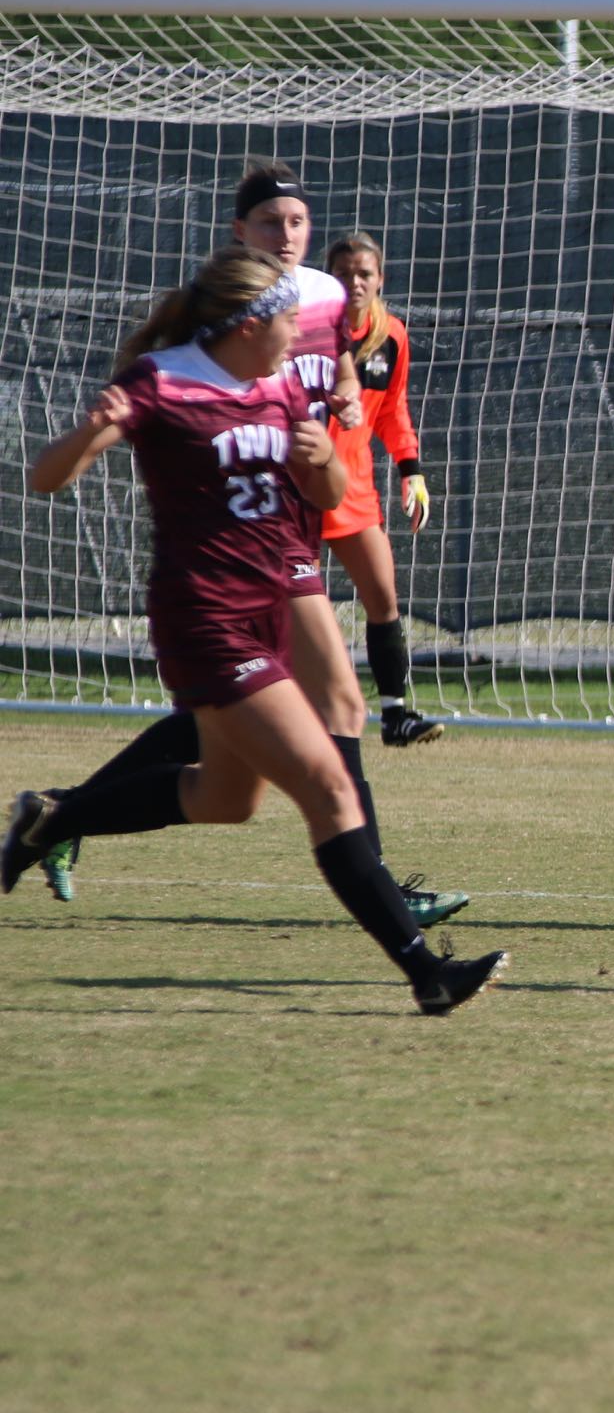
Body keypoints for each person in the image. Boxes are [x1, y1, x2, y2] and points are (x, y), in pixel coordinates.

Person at [1, 245, 504, 1014]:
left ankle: (56, 819)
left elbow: (327, 486)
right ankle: (426, 973)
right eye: (288, 317)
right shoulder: (162, 380)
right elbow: (46, 476)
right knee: (330, 788)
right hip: (207, 621)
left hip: (271, 611)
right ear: (248, 322)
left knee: (227, 799)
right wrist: (87, 432)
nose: (301, 331)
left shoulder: (270, 385)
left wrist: (322, 459)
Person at [324, 231, 442, 749]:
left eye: (363, 273)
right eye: (344, 273)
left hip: (353, 489)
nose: (354, 282)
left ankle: (395, 715)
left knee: (383, 596)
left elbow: (393, 410)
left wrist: (411, 470)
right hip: (298, 484)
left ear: (380, 280)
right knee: (283, 605)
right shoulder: (305, 328)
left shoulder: (390, 335)